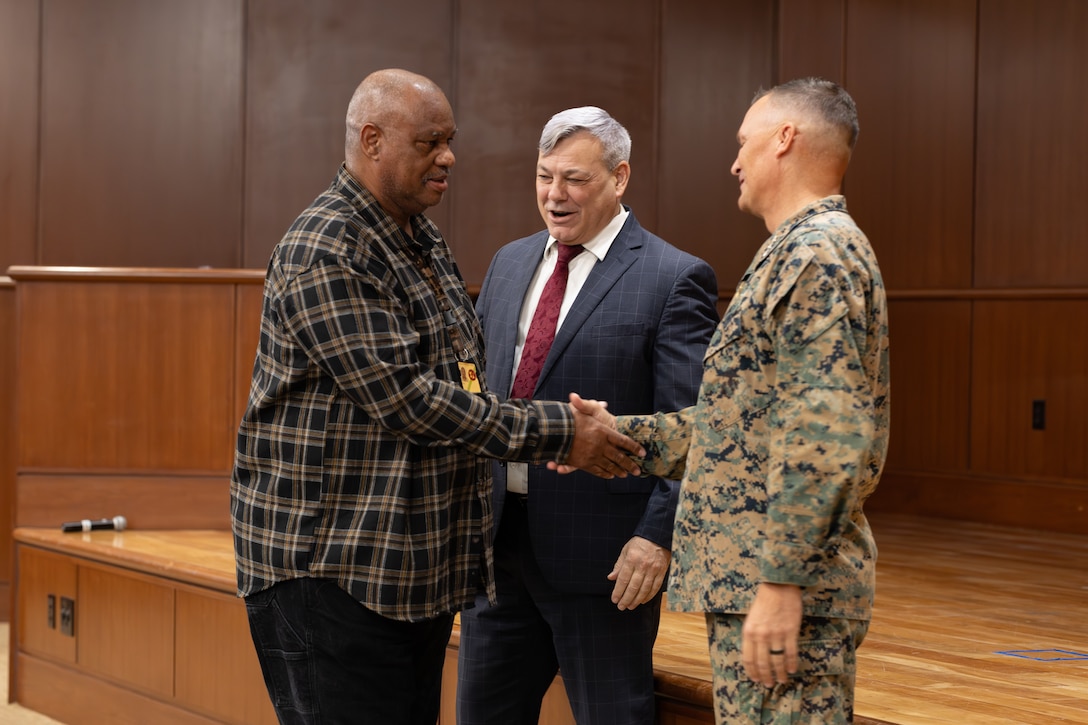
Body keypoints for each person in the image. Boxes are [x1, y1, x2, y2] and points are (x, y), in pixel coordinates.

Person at [230, 69, 645, 725]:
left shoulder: (420, 240)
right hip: (331, 577)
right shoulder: (328, 245)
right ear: (371, 140)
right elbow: (410, 401)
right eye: (429, 142)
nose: (448, 157)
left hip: (408, 579)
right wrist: (561, 433)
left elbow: (465, 379)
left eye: (449, 141)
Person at [561, 78, 890, 724]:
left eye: (744, 142)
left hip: (784, 590)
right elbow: (738, 428)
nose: (735, 162)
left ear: (785, 139)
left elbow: (823, 435)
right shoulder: (791, 252)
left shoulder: (816, 254)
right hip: (755, 584)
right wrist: (612, 434)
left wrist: (781, 580)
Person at [456, 107, 719, 725]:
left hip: (606, 562)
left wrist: (656, 536)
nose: (554, 195)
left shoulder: (673, 277)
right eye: (545, 177)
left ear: (620, 177)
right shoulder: (509, 263)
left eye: (574, 179)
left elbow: (696, 426)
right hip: (497, 550)